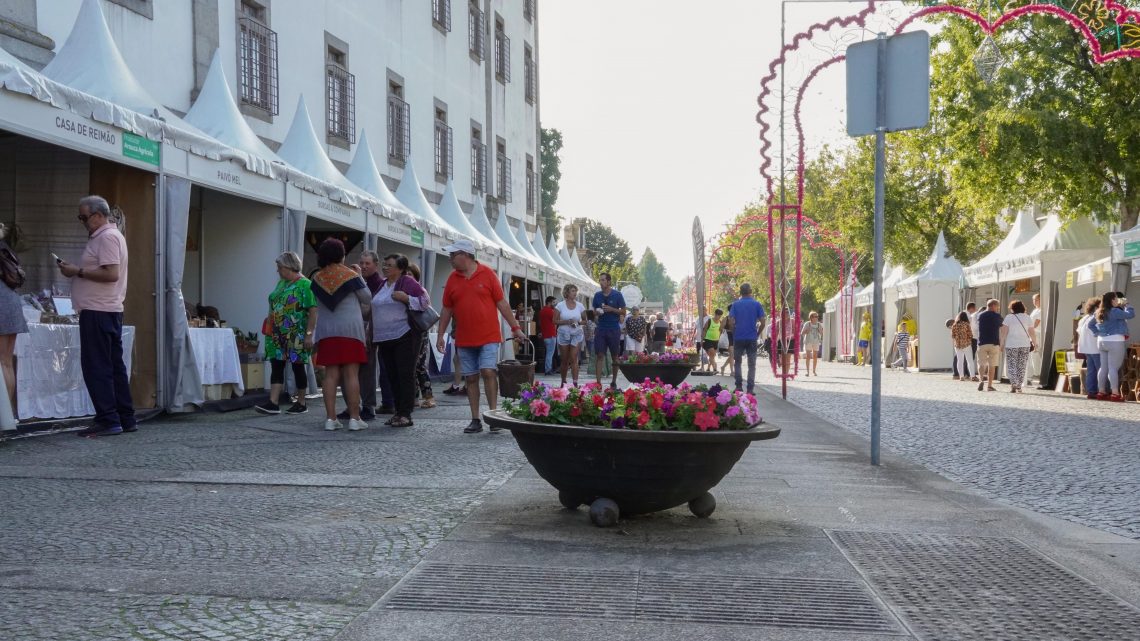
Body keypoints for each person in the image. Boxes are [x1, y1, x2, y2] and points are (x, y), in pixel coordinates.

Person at [56, 195, 135, 437]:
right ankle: (124, 417)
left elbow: (111, 274)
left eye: (84, 217)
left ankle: (108, 419)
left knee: (97, 366)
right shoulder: (110, 236)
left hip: (99, 310)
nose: (82, 222)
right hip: (106, 309)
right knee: (113, 365)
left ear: (99, 215)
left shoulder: (107, 237)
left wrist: (77, 271)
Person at [435, 239, 527, 434]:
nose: (450, 259)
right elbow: (447, 309)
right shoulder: (452, 278)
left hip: (489, 335)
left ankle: (493, 416)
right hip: (464, 338)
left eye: (453, 255)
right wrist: (441, 334)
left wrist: (516, 328)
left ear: (465, 255)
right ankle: (475, 419)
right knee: (470, 378)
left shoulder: (488, 274)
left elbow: (502, 303)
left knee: (488, 371)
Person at [310, 238, 371, 432]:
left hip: (327, 332)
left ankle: (330, 419)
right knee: (351, 375)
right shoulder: (350, 275)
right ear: (341, 255)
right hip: (350, 331)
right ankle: (354, 418)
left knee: (330, 375)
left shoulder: (317, 278)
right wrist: (360, 276)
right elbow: (367, 298)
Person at [372, 254, 430, 428]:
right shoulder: (383, 284)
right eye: (384, 264)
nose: (385, 267)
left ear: (400, 268)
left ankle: (406, 414)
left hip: (404, 335)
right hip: (384, 338)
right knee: (392, 375)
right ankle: (398, 412)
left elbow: (425, 301)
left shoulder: (407, 282)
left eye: (389, 265)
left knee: (404, 374)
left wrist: (406, 298)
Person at [255, 252, 316, 415]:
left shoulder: (306, 285)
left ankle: (301, 403)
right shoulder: (282, 283)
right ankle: (273, 402)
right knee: (276, 365)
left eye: (279, 267)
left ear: (289, 266)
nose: (278, 270)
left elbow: (313, 310)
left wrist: (309, 334)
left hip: (296, 333)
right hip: (277, 333)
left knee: (298, 366)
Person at [337, 250, 390, 421]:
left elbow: (373, 308)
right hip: (350, 328)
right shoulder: (352, 279)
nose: (364, 266)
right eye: (362, 263)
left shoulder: (379, 283)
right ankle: (352, 406)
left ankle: (368, 406)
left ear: (376, 265)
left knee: (366, 371)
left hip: (369, 330)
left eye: (368, 263)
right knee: (346, 369)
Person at [0, 223, 28, 415]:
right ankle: (7, 414)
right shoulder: (5, 248)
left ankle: (3, 416)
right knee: (6, 362)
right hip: (11, 302)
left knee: (3, 362)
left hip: (2, 305)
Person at [1094, 291, 1134, 402]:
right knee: (1113, 368)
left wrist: (1097, 333)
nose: (1117, 301)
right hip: (1115, 341)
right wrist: (1127, 305)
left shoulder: (1099, 311)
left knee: (1103, 368)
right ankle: (1115, 393)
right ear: (1112, 300)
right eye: (1116, 299)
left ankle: (1101, 392)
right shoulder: (1115, 311)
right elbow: (1130, 314)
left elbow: (1090, 324)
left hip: (1101, 341)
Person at [406, 262, 436, 409]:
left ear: (416, 276)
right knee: (409, 365)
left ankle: (428, 397)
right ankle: (413, 397)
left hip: (419, 331)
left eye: (410, 274)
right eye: (405, 274)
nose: (407, 277)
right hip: (407, 331)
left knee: (419, 365)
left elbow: (425, 304)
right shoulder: (401, 289)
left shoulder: (419, 290)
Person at [729, 283, 765, 394]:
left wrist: (734, 332)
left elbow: (731, 321)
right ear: (751, 292)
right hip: (752, 337)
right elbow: (763, 322)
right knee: (752, 364)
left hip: (739, 337)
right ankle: (750, 389)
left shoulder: (735, 304)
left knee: (737, 362)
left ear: (740, 292)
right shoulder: (757, 304)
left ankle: (739, 386)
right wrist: (757, 334)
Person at [591, 273, 626, 388]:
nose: (601, 282)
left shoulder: (617, 295)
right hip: (601, 328)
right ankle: (598, 383)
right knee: (599, 355)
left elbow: (623, 312)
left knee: (615, 356)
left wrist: (612, 309)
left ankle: (614, 381)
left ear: (609, 281)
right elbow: (594, 312)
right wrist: (597, 312)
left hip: (613, 329)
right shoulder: (597, 295)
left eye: (603, 280)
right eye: (600, 280)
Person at [1000, 300, 1035, 393]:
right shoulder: (1027, 317)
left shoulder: (1008, 317)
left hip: (1011, 344)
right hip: (1025, 345)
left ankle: (1014, 383)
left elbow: (1004, 332)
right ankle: (1019, 385)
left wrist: (1002, 343)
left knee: (1012, 364)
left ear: (1012, 308)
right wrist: (1035, 342)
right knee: (1021, 366)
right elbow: (1032, 332)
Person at [554, 283, 585, 387]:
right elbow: (554, 321)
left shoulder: (580, 305)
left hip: (576, 333)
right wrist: (566, 322)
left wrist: (578, 323)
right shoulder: (560, 305)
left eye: (575, 291)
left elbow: (585, 321)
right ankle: (563, 381)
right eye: (572, 291)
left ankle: (575, 383)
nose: (575, 293)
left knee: (574, 357)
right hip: (563, 334)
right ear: (567, 292)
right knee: (564, 360)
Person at [1076, 297, 1101, 400]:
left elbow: (1078, 331)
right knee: (1100, 370)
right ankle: (1101, 391)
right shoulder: (1096, 318)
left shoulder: (1084, 318)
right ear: (1096, 307)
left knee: (1091, 370)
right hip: (1095, 347)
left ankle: (1091, 391)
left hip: (1086, 348)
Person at [975, 299, 1003, 392]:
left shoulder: (980, 315)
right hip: (994, 342)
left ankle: (981, 380)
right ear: (993, 306)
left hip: (982, 342)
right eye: (997, 306)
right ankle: (990, 385)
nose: (998, 308)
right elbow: (1001, 326)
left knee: (981, 363)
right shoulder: (997, 316)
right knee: (992, 365)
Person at [950, 311, 973, 382]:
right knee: (970, 361)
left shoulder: (954, 325)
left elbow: (952, 336)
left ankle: (961, 376)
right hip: (966, 344)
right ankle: (972, 376)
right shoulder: (966, 324)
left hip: (957, 345)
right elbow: (970, 335)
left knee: (960, 361)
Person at [773, 308, 795, 374]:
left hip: (790, 340)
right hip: (781, 341)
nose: (786, 314)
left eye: (787, 312)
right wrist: (775, 341)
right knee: (782, 358)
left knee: (788, 359)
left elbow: (795, 331)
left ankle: (786, 374)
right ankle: (783, 371)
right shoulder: (779, 322)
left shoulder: (792, 321)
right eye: (785, 312)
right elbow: (776, 332)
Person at [800, 311, 823, 376]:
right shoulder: (807, 324)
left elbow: (822, 333)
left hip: (816, 342)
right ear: (811, 317)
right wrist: (807, 331)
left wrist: (820, 331)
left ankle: (814, 371)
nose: (817, 318)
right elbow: (802, 333)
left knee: (815, 356)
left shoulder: (819, 324)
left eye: (817, 316)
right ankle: (807, 372)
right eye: (815, 316)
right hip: (808, 342)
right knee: (808, 356)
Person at [538, 296, 556, 375]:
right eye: (553, 302)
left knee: (548, 353)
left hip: (545, 335)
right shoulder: (550, 311)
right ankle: (548, 369)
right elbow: (555, 320)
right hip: (551, 335)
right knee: (550, 353)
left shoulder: (542, 311)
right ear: (549, 302)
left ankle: (547, 368)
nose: (555, 304)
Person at [1028, 293, 1043, 385]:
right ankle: (1035, 372)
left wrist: (1030, 330)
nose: (1035, 301)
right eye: (1033, 300)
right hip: (1032, 333)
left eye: (1036, 299)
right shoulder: (1035, 310)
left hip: (1037, 333)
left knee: (1036, 352)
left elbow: (1036, 323)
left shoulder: (1041, 310)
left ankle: (1038, 373)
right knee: (1033, 354)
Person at [718, 308, 735, 377]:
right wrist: (729, 330)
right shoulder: (726, 318)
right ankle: (732, 371)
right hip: (728, 337)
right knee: (732, 354)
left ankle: (723, 367)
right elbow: (720, 328)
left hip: (736, 337)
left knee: (733, 355)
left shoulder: (737, 317)